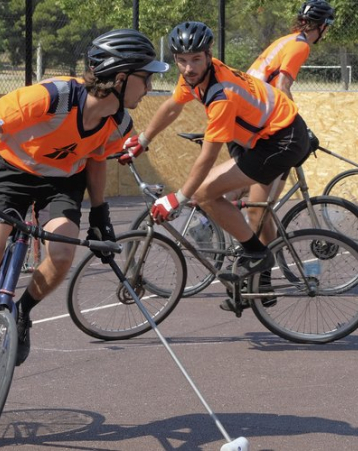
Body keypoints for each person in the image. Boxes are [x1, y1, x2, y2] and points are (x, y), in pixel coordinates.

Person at [0, 29, 169, 406]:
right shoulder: (53, 95)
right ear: (120, 77)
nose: (149, 86)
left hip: (61, 185)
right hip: (12, 174)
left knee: (63, 253)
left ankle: (21, 312)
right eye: (145, 77)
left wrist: (99, 212)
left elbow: (97, 159)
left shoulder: (118, 123)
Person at [122, 21, 311, 310]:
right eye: (182, 61)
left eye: (196, 59)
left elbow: (208, 156)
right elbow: (173, 105)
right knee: (234, 200)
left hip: (281, 140)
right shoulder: (194, 77)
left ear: (209, 54)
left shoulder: (222, 95)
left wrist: (179, 198)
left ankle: (256, 253)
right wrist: (144, 138)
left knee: (204, 193)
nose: (188, 68)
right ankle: (261, 286)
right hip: (259, 136)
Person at [244, 0, 334, 247]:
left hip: (253, 111)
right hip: (259, 115)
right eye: (328, 26)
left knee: (258, 192)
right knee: (263, 202)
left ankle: (213, 220)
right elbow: (282, 87)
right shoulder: (300, 46)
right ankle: (260, 263)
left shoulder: (287, 40)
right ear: (323, 26)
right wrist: (300, 126)